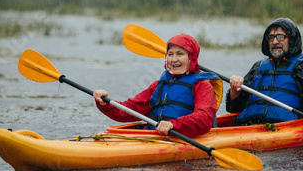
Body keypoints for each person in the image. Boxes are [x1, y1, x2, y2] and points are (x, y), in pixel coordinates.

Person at [93, 34, 221, 137]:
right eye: (170, 54)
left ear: (191, 58)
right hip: (153, 136)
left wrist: (173, 125)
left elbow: (204, 119)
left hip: (181, 136)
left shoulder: (202, 85)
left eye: (180, 54)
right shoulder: (158, 85)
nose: (173, 59)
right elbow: (131, 109)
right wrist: (106, 104)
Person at [227, 17, 303, 126]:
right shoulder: (258, 67)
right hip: (248, 125)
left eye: (280, 37)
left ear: (291, 40)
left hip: (285, 128)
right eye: (271, 37)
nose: (275, 41)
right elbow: (234, 108)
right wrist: (234, 91)